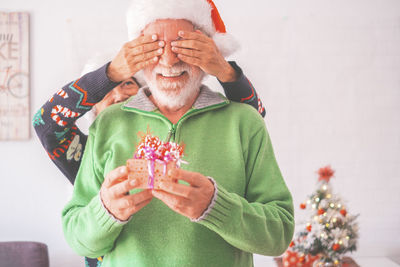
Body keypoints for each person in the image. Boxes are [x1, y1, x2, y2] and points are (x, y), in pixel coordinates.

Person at [62, 0, 294, 266]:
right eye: (155, 47)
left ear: (207, 51)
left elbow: (279, 235)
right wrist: (106, 211)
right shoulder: (108, 123)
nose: (169, 61)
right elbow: (76, 236)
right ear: (138, 53)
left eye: (183, 47)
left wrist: (217, 207)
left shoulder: (245, 122)